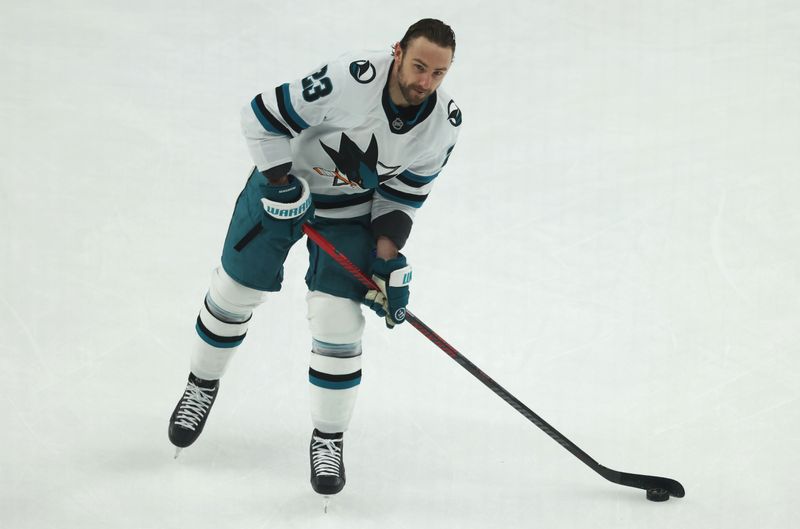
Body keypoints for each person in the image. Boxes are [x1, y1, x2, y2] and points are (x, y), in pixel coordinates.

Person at [168, 18, 461, 497]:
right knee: (234, 291)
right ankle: (201, 385)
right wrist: (282, 185)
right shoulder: (351, 79)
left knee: (337, 323)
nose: (424, 82)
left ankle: (329, 438)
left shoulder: (442, 126)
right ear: (398, 52)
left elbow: (403, 198)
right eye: (418, 66)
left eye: (438, 74)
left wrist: (387, 263)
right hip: (282, 187)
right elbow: (260, 116)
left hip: (349, 216)